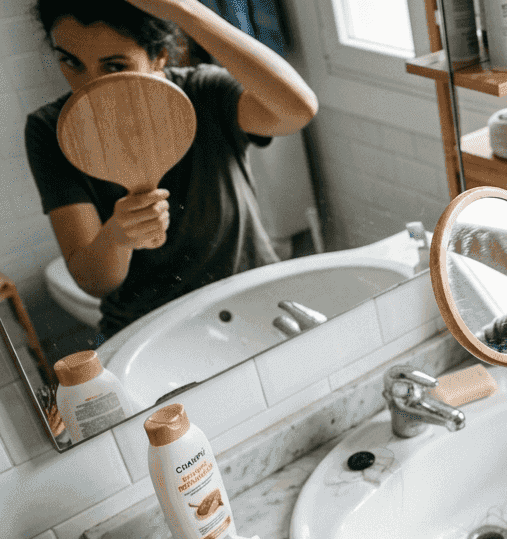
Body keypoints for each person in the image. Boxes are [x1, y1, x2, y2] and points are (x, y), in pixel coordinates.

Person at [25, 0, 318, 339]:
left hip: (252, 297)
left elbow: (298, 109)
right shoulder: (50, 129)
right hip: (148, 330)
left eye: (114, 66)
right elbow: (94, 282)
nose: (90, 86)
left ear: (159, 57)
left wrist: (187, 12)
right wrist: (118, 236)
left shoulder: (203, 92)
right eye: (71, 62)